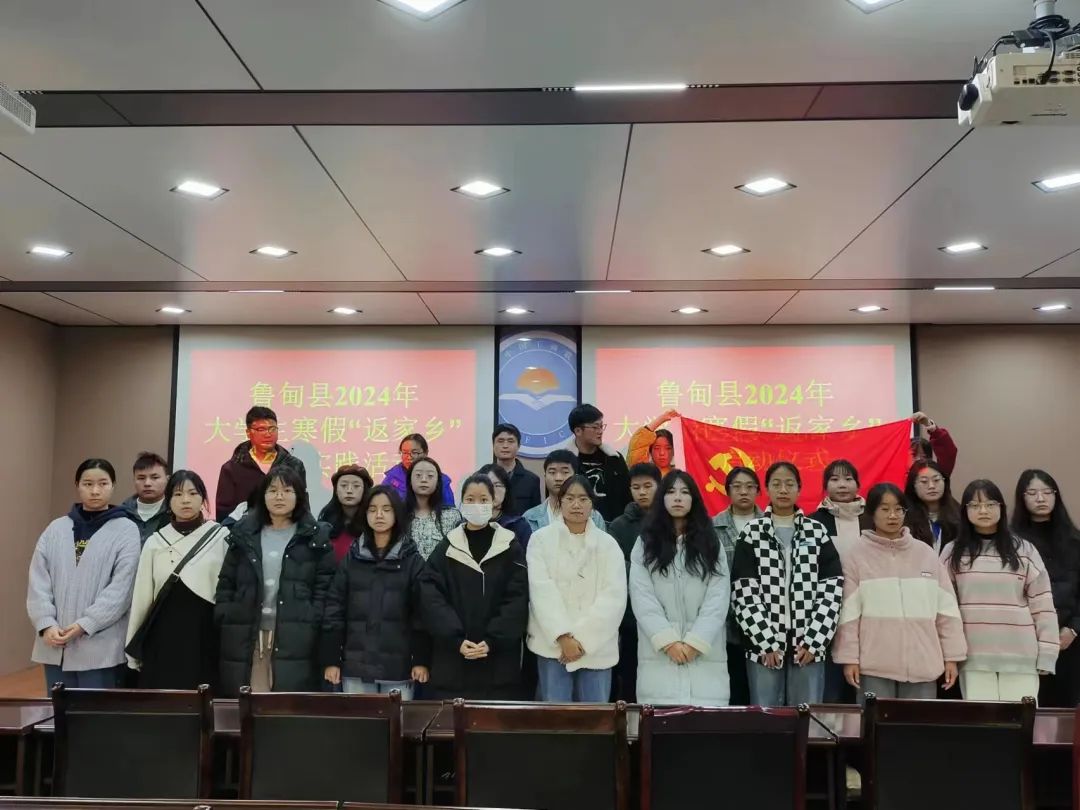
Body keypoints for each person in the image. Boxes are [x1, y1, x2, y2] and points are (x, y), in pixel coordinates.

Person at [832, 483, 966, 703]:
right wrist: (849, 658)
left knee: (918, 724)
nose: (892, 515)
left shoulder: (925, 554)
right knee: (874, 723)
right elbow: (848, 615)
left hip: (923, 663)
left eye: (898, 509)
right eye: (885, 509)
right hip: (874, 664)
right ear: (872, 512)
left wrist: (952, 656)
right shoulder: (857, 555)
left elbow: (947, 611)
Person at [215, 467, 335, 695]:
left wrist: (312, 616)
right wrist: (227, 612)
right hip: (247, 632)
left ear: (299, 496)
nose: (279, 496)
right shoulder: (244, 533)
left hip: (296, 634)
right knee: (249, 704)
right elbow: (226, 581)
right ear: (263, 496)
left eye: (287, 490)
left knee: (286, 707)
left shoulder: (315, 537)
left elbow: (324, 588)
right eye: (272, 490)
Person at [731, 461, 843, 707]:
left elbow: (832, 590)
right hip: (763, 647)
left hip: (808, 645)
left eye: (789, 484)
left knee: (807, 716)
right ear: (766, 490)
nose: (783, 490)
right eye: (777, 484)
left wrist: (814, 641)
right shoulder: (752, 532)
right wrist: (765, 641)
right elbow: (743, 592)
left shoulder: (816, 532)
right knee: (766, 717)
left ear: (799, 489)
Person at [27, 459, 141, 690]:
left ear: (113, 485)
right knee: (59, 708)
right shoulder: (56, 528)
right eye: (88, 484)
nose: (95, 490)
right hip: (55, 643)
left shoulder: (126, 529)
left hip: (99, 645)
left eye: (103, 483)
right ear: (77, 485)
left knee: (94, 710)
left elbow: (121, 589)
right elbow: (38, 581)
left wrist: (85, 624)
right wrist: (46, 624)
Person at [943, 479, 1059, 702]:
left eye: (990, 504)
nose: (983, 511)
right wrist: (950, 654)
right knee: (982, 721)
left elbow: (1043, 605)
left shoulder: (1024, 550)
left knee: (1021, 720)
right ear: (965, 511)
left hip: (1021, 656)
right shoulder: (952, 552)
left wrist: (1047, 653)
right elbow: (945, 609)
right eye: (975, 505)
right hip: (973, 657)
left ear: (1002, 508)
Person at [420, 474, 529, 700]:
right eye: (470, 499)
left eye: (483, 499)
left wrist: (492, 640)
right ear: (461, 503)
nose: (476, 505)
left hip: (498, 664)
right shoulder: (447, 547)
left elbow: (516, 600)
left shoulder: (510, 546)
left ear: (494, 502)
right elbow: (431, 598)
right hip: (453, 663)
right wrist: (455, 639)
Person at [631, 471, 730, 706]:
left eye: (685, 492)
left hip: (705, 660)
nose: (678, 498)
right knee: (660, 724)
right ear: (661, 498)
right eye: (671, 492)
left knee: (705, 725)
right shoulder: (646, 543)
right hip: (659, 659)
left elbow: (718, 597)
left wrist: (696, 642)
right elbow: (642, 597)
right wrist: (668, 642)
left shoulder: (711, 542)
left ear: (694, 499)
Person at [321, 485, 430, 699]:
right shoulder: (352, 558)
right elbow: (334, 609)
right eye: (372, 509)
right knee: (360, 721)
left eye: (386, 509)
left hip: (399, 669)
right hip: (355, 667)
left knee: (398, 721)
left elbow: (422, 614)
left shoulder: (412, 561)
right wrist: (331, 660)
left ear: (397, 514)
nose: (379, 515)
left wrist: (421, 660)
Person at [125, 470, 230, 689]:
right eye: (178, 494)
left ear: (203, 498)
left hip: (206, 635)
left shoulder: (221, 537)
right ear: (169, 500)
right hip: (163, 637)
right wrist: (133, 647)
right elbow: (142, 598)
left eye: (193, 493)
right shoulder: (155, 542)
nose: (185, 500)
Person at [527, 476, 627, 702]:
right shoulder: (540, 540)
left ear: (592, 504)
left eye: (583, 499)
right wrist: (563, 637)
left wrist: (583, 640)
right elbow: (541, 591)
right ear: (559, 501)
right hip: (554, 647)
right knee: (555, 717)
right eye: (570, 498)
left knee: (595, 718)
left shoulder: (608, 545)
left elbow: (614, 597)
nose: (576, 505)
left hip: (596, 648)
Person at [1011, 469, 1080, 707]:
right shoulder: (1012, 543)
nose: (1040, 498)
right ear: (1022, 498)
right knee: (1031, 707)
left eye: (1047, 492)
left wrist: (1073, 629)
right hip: (1027, 641)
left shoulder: (1075, 541)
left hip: (1070, 641)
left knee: (1068, 709)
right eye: (1032, 493)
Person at [607, 462, 662, 702]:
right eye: (636, 487)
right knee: (630, 676)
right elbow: (616, 567)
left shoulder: (671, 521)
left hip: (666, 614)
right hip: (631, 616)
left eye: (648, 486)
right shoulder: (619, 525)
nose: (642, 492)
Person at [711, 466, 764, 706]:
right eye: (737, 487)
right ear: (728, 491)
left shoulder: (770, 524)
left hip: (765, 620)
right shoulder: (713, 527)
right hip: (726, 620)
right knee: (733, 686)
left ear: (758, 491)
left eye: (750, 487)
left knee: (761, 691)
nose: (744, 492)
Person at [215, 406, 307, 521]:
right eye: (261, 429)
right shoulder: (231, 468)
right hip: (244, 530)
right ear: (248, 433)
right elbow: (224, 514)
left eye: (272, 429)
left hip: (286, 528)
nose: (268, 434)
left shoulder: (294, 465)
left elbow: (303, 507)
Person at [564, 404, 631, 524]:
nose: (600, 431)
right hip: (576, 526)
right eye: (595, 427)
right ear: (578, 431)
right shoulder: (565, 462)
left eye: (601, 426)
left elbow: (627, 497)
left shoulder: (615, 459)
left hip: (613, 527)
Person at [523, 449, 606, 532]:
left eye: (565, 472)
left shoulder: (594, 517)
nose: (558, 478)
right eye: (552, 472)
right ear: (545, 476)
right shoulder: (530, 518)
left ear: (575, 475)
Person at [809, 460, 867, 563]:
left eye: (848, 479)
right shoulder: (813, 522)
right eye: (835, 479)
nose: (842, 485)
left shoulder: (873, 518)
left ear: (857, 485)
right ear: (825, 486)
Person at [405, 457, 463, 559]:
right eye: (418, 475)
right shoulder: (398, 515)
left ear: (438, 482)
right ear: (410, 480)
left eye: (430, 476)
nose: (423, 479)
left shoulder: (452, 516)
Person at [318, 464, 374, 562]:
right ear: (336, 490)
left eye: (356, 486)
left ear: (365, 490)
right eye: (344, 485)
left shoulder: (372, 523)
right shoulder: (325, 523)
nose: (349, 491)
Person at [904, 460, 961, 554]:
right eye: (924, 481)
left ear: (945, 481)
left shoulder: (959, 514)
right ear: (913, 486)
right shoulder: (904, 517)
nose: (931, 486)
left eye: (936, 480)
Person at [383, 434, 455, 505]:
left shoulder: (440, 480)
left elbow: (450, 509)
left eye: (414, 453)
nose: (409, 457)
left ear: (425, 453)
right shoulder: (391, 478)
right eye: (405, 453)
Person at [477, 463, 532, 549]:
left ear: (506, 490)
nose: (492, 491)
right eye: (487, 485)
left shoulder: (519, 526)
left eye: (497, 485)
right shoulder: (466, 525)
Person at [492, 424, 542, 516]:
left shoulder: (531, 480)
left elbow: (535, 516)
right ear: (493, 445)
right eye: (500, 441)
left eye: (510, 441)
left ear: (518, 446)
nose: (505, 446)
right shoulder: (482, 477)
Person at [121, 451, 171, 543]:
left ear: (167, 479)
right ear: (134, 480)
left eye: (155, 477)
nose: (147, 483)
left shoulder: (174, 514)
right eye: (141, 478)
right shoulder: (122, 514)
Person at [628, 410, 679, 477]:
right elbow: (637, 446)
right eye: (657, 448)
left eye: (668, 448)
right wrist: (662, 419)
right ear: (650, 451)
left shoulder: (680, 474)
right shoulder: (644, 473)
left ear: (674, 451)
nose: (662, 453)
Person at [909, 412, 958, 476]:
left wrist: (928, 424)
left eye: (924, 456)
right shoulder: (900, 477)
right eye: (914, 455)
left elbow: (948, 453)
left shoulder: (936, 475)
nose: (919, 459)